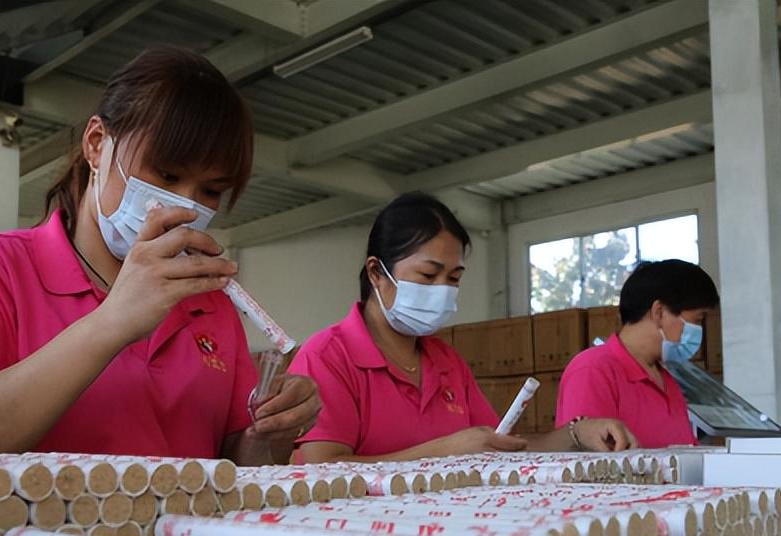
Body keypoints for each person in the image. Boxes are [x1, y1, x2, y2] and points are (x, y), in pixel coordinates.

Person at [0, 47, 319, 464]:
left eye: (210, 190)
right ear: (97, 144)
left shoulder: (211, 303)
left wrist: (273, 430)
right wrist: (112, 322)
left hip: (182, 533)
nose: (185, 205)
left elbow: (235, 467)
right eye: (167, 174)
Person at [288, 193, 638, 464]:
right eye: (428, 275)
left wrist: (576, 434)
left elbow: (496, 444)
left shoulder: (445, 361)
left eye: (453, 278)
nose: (441, 289)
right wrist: (443, 452)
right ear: (377, 273)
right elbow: (323, 471)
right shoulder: (328, 357)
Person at [556, 259, 720, 448]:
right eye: (697, 320)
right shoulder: (593, 370)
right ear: (658, 312)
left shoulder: (666, 379)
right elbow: (590, 464)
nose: (699, 330)